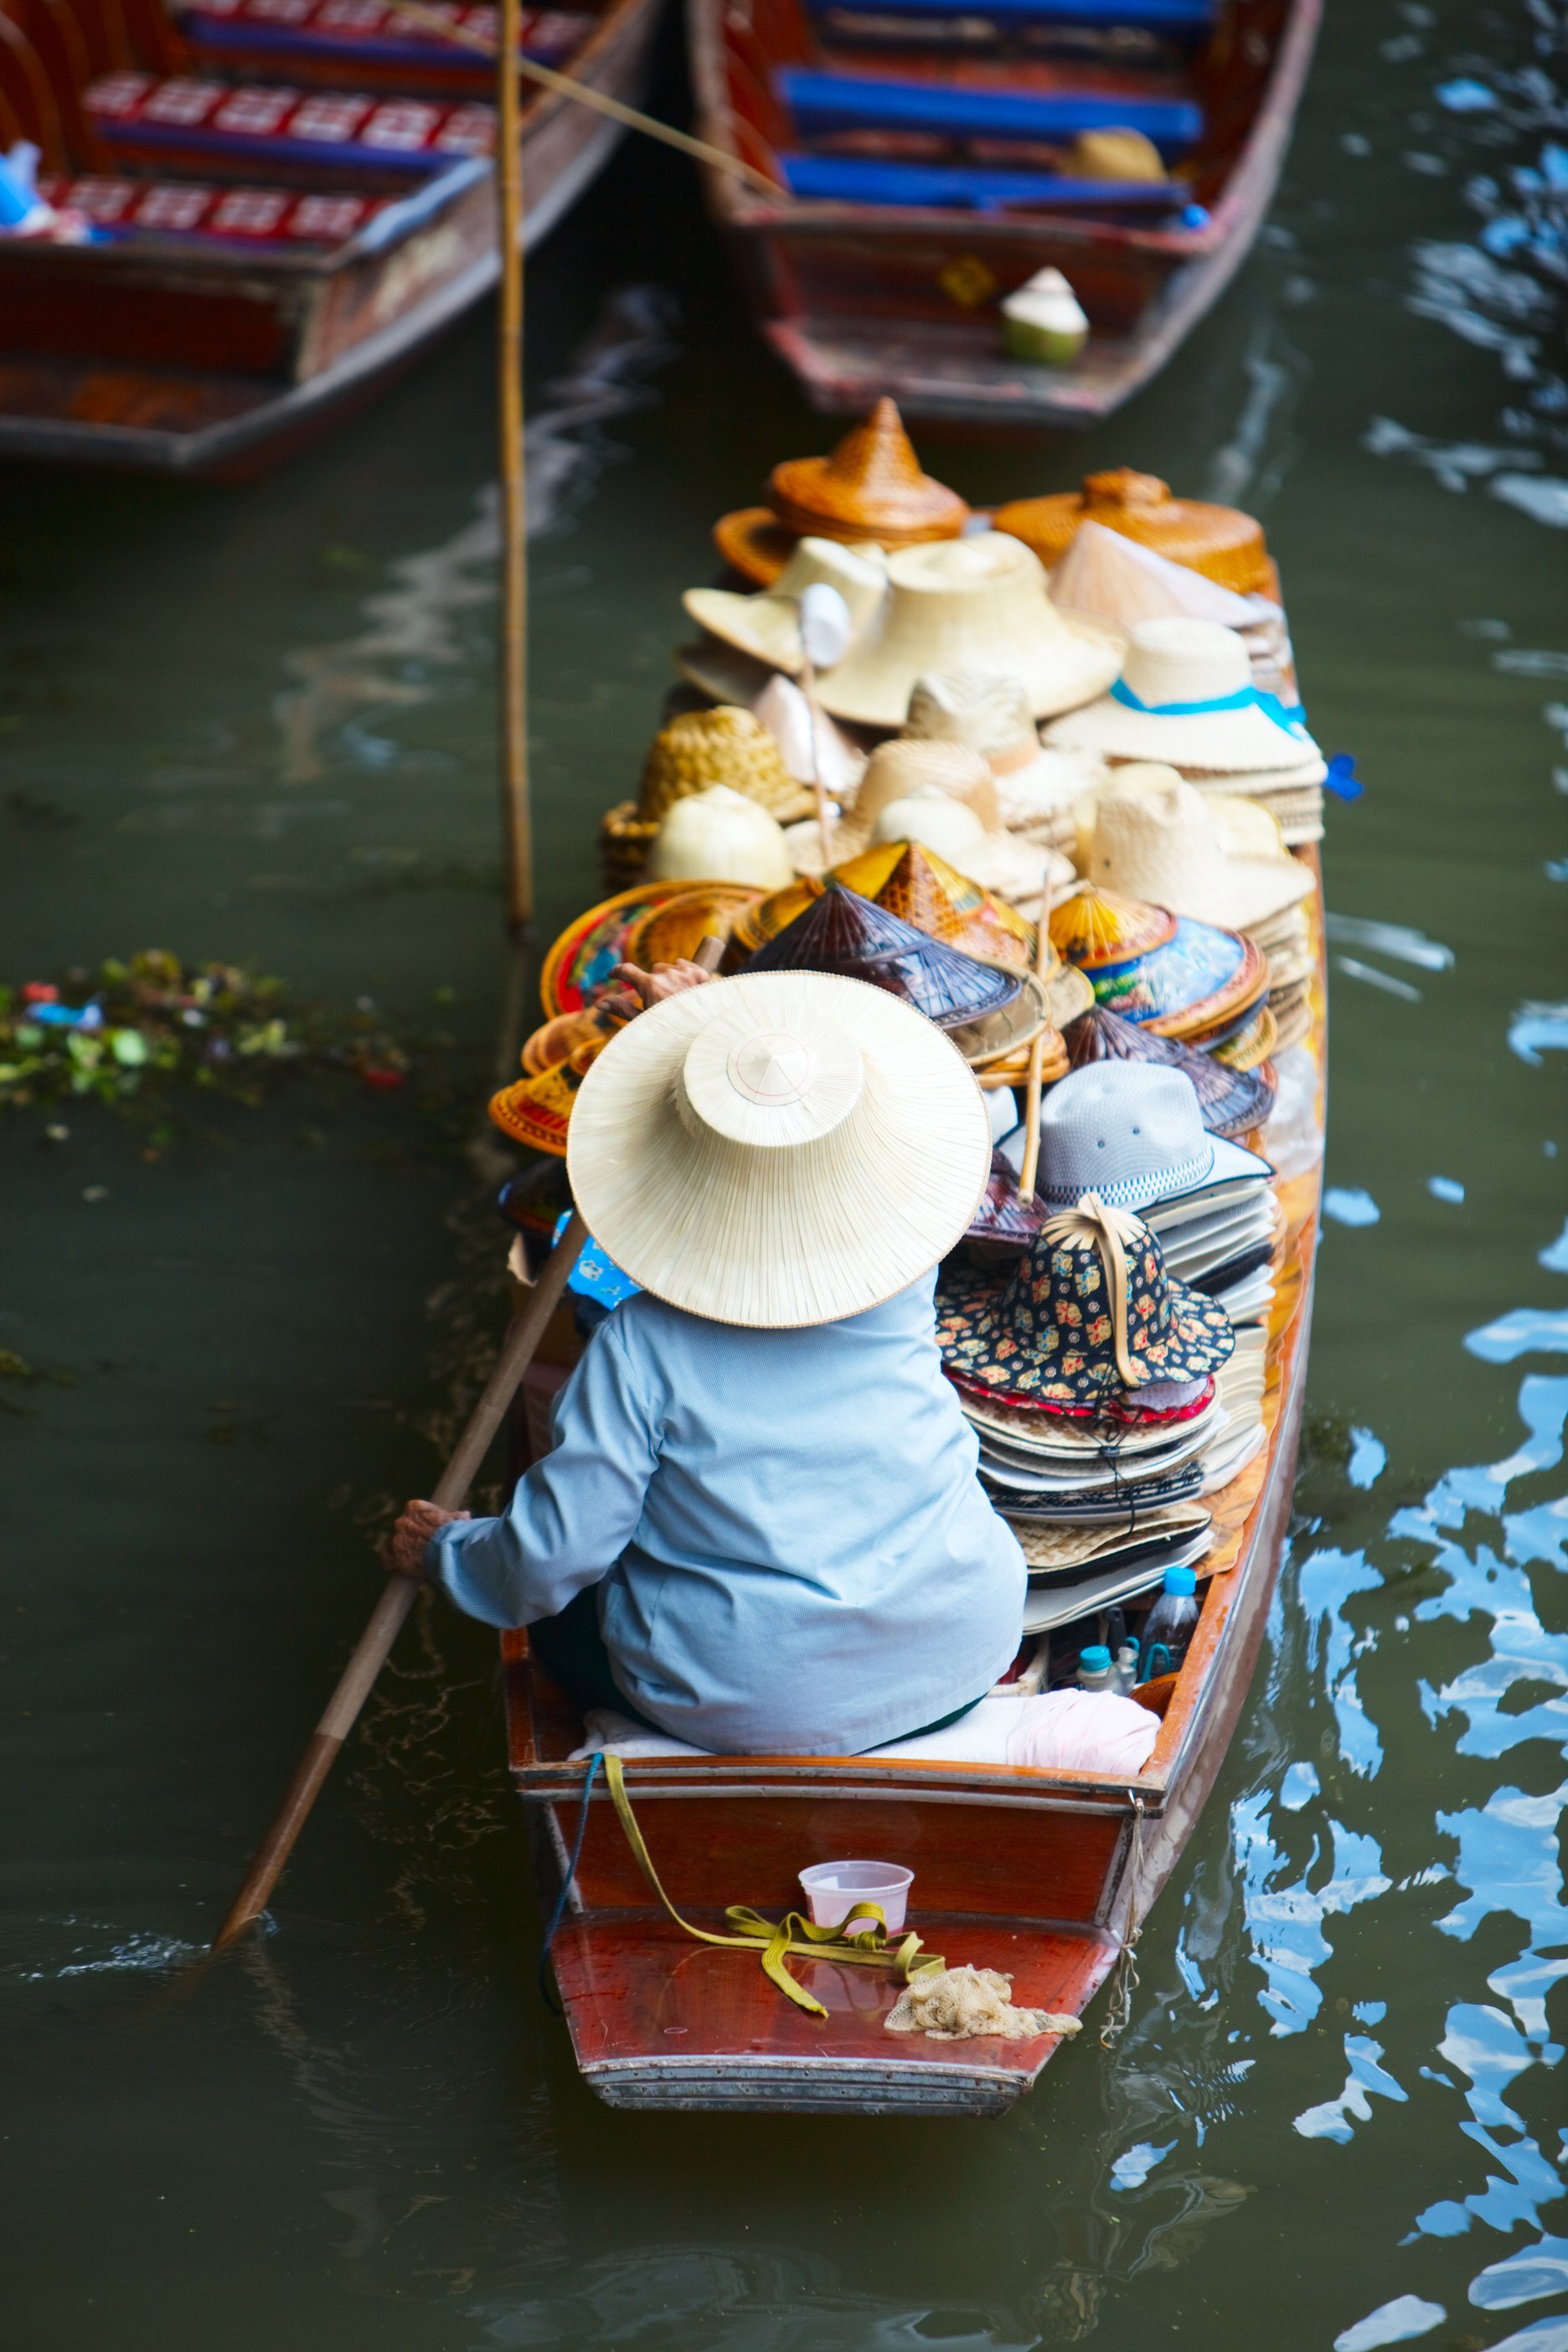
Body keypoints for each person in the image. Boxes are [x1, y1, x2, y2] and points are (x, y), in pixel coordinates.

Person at [387, 955, 1024, 1757]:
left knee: (558, 1620)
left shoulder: (639, 1344)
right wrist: (719, 1030)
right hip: (966, 1640)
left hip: (754, 1697)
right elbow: (799, 1117)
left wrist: (450, 1551)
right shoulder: (904, 1281)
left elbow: (548, 1562)